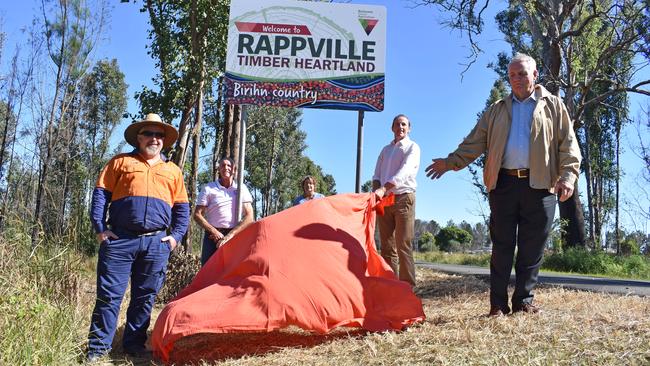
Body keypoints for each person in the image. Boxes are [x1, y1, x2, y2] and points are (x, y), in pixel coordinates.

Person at [425, 53, 581, 316]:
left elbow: (568, 144)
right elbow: (474, 142)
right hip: (504, 185)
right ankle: (497, 305)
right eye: (512, 75)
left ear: (534, 75)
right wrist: (450, 162)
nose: (517, 79)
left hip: (541, 186)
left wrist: (568, 176)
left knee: (532, 248)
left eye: (522, 74)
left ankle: (524, 301)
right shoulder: (497, 109)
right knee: (501, 248)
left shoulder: (553, 106)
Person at [86, 113, 190, 361]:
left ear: (164, 140)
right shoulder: (120, 162)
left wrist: (175, 237)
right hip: (119, 241)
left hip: (156, 244)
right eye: (149, 133)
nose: (154, 138)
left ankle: (133, 346)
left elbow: (183, 209)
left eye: (159, 134)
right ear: (138, 137)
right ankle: (98, 350)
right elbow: (100, 195)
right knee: (109, 297)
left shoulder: (172, 171)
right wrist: (101, 229)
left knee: (145, 299)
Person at [372, 114, 421, 287]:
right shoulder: (385, 150)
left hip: (403, 197)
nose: (400, 127)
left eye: (404, 124)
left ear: (409, 128)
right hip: (385, 200)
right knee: (386, 245)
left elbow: (405, 171)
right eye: (397, 124)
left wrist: (384, 188)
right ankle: (391, 286)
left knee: (403, 244)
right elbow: (377, 174)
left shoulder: (412, 147)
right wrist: (376, 191)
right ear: (392, 128)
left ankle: (407, 288)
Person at [193, 157, 254, 266]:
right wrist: (214, 231)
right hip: (212, 237)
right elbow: (197, 215)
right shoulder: (208, 188)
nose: (226, 168)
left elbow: (250, 217)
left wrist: (230, 236)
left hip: (234, 236)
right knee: (208, 271)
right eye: (223, 165)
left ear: (234, 170)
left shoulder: (241, 188)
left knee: (232, 272)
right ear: (219, 170)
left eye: (229, 165)